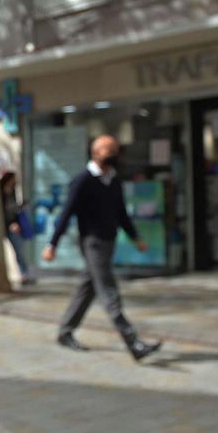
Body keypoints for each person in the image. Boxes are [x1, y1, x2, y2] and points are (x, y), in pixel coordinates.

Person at [41, 134, 162, 361]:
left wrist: (135, 237)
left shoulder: (113, 182)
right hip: (92, 242)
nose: (113, 154)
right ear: (95, 153)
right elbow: (66, 213)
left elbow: (121, 213)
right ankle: (132, 342)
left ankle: (65, 332)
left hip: (109, 241)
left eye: (115, 150)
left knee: (87, 287)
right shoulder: (83, 180)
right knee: (108, 290)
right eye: (108, 150)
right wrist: (52, 244)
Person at [0, 170, 31, 283]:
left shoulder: (12, 192)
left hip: (14, 226)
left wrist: (21, 206)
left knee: (19, 250)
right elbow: (3, 211)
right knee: (17, 249)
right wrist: (9, 224)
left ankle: (24, 274)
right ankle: (23, 273)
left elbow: (12, 210)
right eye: (14, 179)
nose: (16, 181)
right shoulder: (0, 194)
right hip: (7, 226)